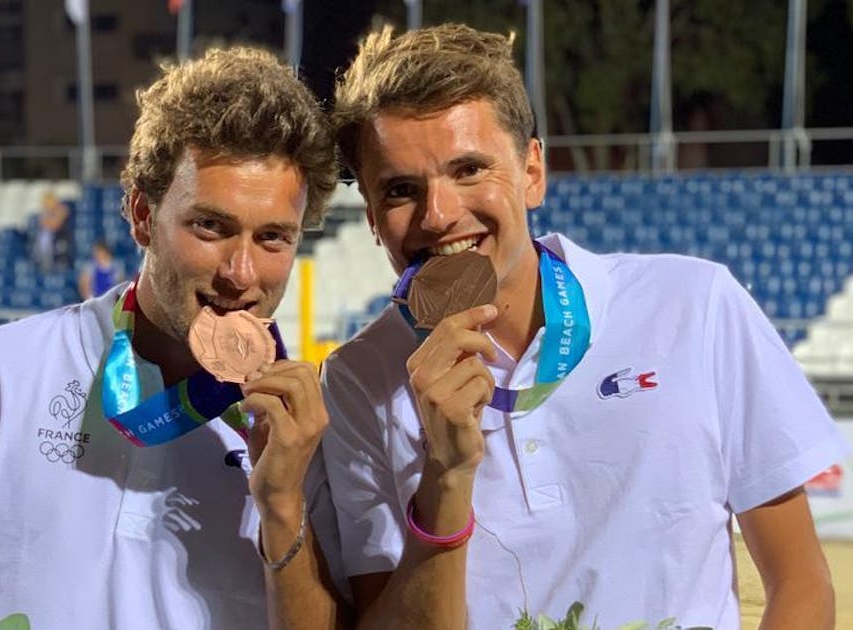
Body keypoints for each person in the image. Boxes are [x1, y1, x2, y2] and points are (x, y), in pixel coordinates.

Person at [319, 23, 848, 629]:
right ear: (370, 217)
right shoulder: (359, 378)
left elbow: (802, 583)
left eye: (469, 170)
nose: (439, 215)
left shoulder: (695, 305)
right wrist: (446, 473)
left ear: (532, 173)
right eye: (401, 189)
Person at [0, 46, 346, 629]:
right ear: (142, 214)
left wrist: (283, 503)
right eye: (210, 226)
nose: (240, 274)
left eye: (273, 238)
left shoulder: (310, 424)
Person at [30, 190, 73, 271]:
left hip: (60, 238)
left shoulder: (62, 209)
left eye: (48, 201)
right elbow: (43, 223)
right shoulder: (45, 212)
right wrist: (50, 220)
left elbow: (56, 225)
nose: (46, 204)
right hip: (47, 241)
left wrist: (51, 221)